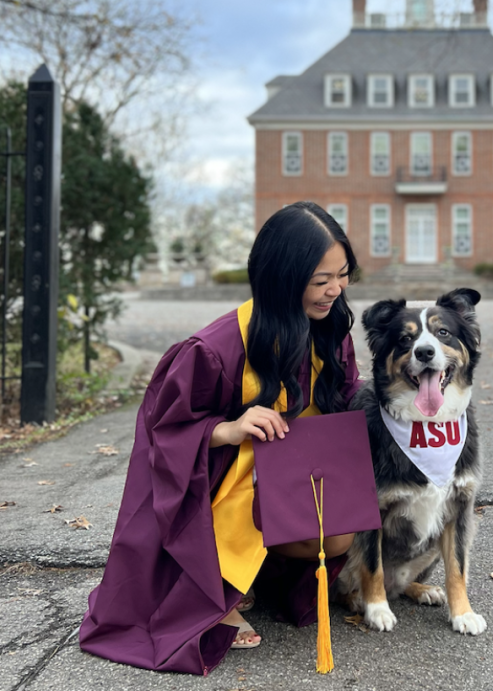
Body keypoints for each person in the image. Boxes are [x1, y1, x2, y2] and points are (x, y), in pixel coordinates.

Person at [78, 201, 362, 675]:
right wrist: (227, 429)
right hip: (229, 480)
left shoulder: (330, 330)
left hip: (302, 469)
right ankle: (218, 588)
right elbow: (162, 432)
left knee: (336, 537)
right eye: (320, 280)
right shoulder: (215, 347)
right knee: (262, 488)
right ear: (281, 277)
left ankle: (255, 575)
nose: (335, 289)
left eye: (343, 274)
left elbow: (349, 397)